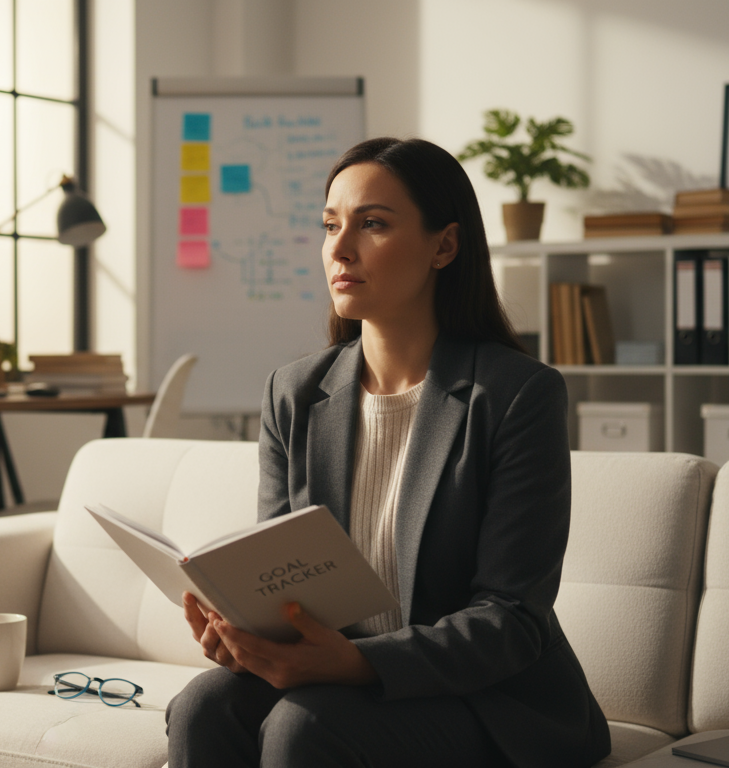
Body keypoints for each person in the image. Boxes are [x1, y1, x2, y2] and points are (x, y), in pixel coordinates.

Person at [164, 137, 611, 768]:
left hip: (488, 700)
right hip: (341, 678)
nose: (340, 249)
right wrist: (245, 632)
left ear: (444, 246)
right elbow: (282, 577)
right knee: (202, 708)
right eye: (329, 225)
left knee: (303, 728)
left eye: (372, 224)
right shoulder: (294, 393)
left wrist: (359, 662)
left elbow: (511, 620)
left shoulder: (517, 395)